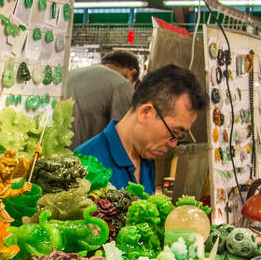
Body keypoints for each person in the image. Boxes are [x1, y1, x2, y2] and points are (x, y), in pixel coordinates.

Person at [75, 65, 207, 192]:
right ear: (145, 112)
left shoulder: (146, 158)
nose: (173, 144)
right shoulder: (85, 163)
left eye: (179, 137)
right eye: (173, 132)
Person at [66, 50, 136, 148]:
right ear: (131, 74)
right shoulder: (122, 84)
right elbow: (121, 137)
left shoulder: (73, 73)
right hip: (80, 157)